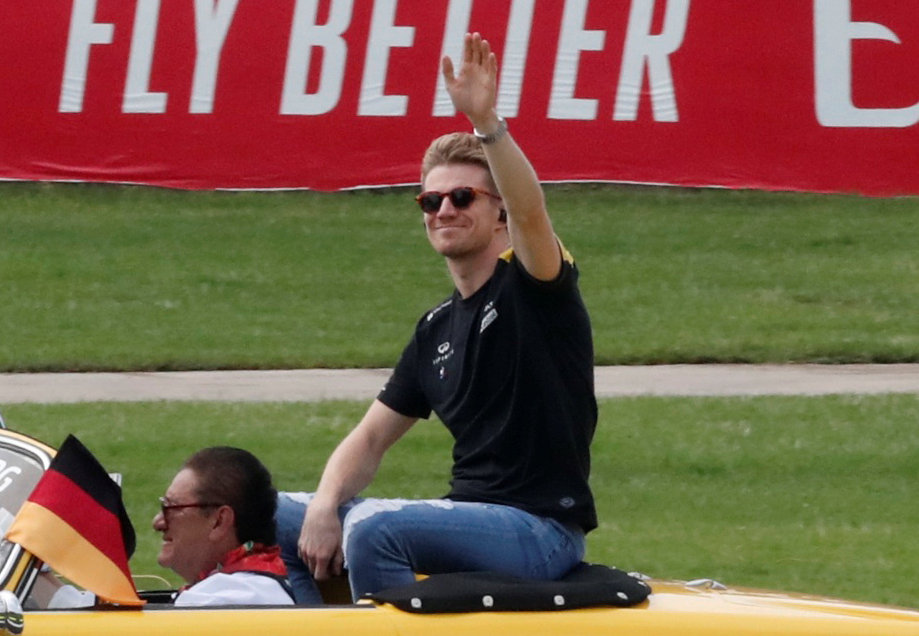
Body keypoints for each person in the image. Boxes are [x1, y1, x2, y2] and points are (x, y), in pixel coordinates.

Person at [278, 31, 596, 604]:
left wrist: (487, 125)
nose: (444, 210)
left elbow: (531, 208)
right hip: (469, 517)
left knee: (375, 529)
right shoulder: (435, 329)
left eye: (462, 198)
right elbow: (371, 437)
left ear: (497, 211)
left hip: (540, 532)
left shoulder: (533, 286)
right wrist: (324, 507)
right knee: (275, 513)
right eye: (431, 201)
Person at [154, 446, 293, 607]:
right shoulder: (253, 590)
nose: (158, 522)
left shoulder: (228, 600)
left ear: (219, 521)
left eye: (172, 508)